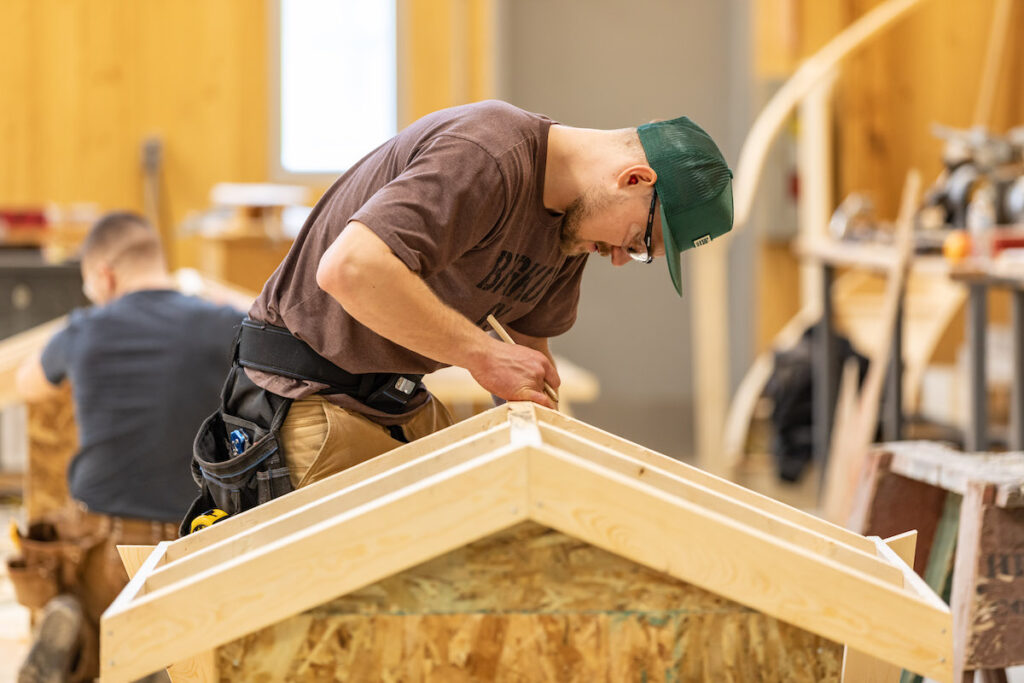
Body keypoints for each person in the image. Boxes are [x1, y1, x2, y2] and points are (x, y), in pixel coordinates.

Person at [185, 100, 733, 527]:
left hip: (397, 402)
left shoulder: (571, 231)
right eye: (638, 242)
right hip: (308, 391)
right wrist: (481, 356)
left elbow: (525, 372)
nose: (619, 258)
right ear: (635, 180)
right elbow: (349, 269)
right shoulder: (488, 153)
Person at [11, 211, 245, 683]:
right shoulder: (220, 322)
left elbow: (27, 383)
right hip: (192, 544)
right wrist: (224, 299)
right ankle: (154, 658)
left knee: (56, 544)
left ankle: (82, 634)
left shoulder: (85, 328)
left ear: (105, 274)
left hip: (105, 545)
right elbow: (281, 328)